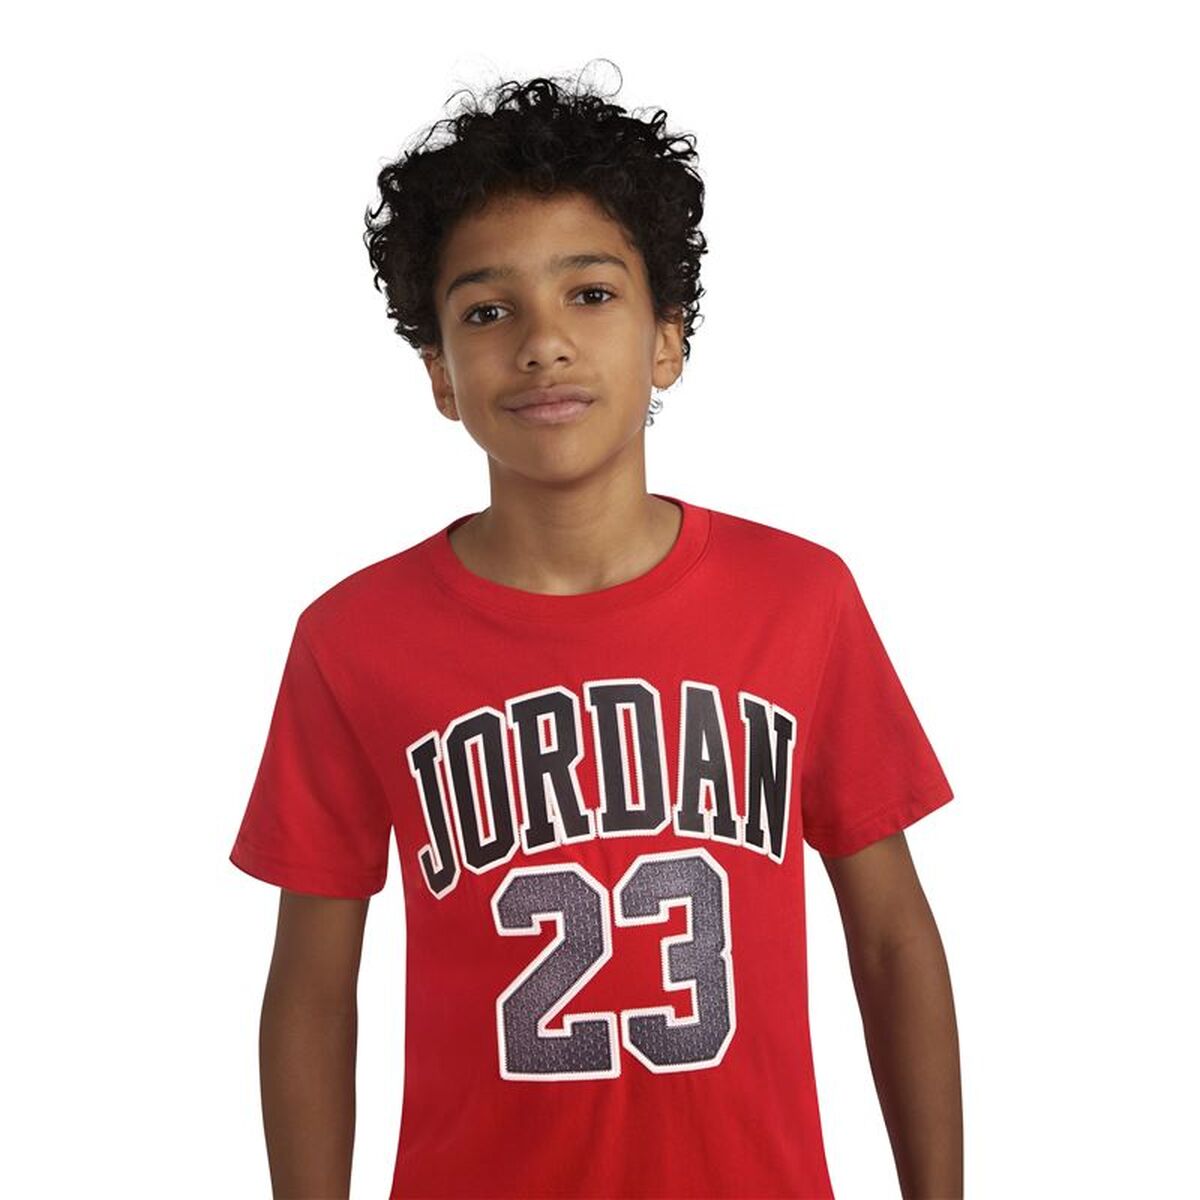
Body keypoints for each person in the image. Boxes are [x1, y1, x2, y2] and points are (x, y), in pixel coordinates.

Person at [230, 62, 963, 1200]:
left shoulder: (802, 600)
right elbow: (314, 994)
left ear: (668, 338)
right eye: (487, 311)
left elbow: (893, 941)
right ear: (439, 373)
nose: (543, 343)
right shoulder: (352, 640)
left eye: (590, 294)